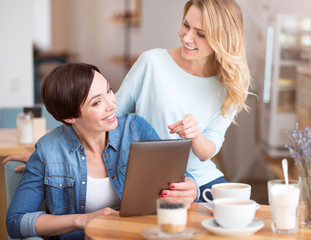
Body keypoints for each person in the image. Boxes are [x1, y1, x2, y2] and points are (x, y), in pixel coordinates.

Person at [6, 63, 198, 240]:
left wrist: (191, 189)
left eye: (109, 91)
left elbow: (179, 178)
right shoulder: (48, 150)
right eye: (97, 102)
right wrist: (84, 220)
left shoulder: (135, 129)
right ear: (70, 116)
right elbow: (15, 222)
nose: (112, 104)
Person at [115, 0, 251, 201]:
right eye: (186, 25)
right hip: (155, 175)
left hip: (201, 179)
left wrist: (194, 134)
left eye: (201, 34)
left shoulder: (230, 84)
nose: (187, 38)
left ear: (222, 39)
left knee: (237, 214)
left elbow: (207, 152)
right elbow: (112, 116)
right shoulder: (152, 63)